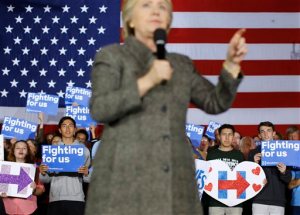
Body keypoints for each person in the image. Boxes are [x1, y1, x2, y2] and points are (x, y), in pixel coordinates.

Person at [85, 0, 247, 214]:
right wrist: (147, 81)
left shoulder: (180, 64)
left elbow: (215, 102)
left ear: (169, 21)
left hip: (175, 183)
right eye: (146, 5)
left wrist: (231, 66)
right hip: (123, 182)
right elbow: (100, 108)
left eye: (162, 7)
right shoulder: (112, 56)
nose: (156, 10)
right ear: (130, 19)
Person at [39, 117, 91, 215]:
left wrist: (86, 173)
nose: (67, 129)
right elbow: (45, 180)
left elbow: (88, 179)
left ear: (75, 129)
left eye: (70, 126)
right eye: (64, 126)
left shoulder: (83, 150)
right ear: (59, 130)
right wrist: (43, 172)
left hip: (77, 199)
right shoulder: (51, 151)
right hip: (56, 198)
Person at [249, 121, 291, 215]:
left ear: (274, 133)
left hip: (278, 200)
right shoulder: (253, 153)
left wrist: (284, 172)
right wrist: (254, 164)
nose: (266, 134)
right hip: (259, 199)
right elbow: (248, 179)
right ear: (259, 135)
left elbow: (288, 179)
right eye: (262, 131)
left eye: (268, 130)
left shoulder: (283, 152)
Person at [206, 124, 244, 215]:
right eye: (224, 134)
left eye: (230, 134)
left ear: (233, 136)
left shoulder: (239, 155)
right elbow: (206, 176)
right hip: (215, 202)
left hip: (235, 202)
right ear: (219, 136)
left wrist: (259, 180)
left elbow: (244, 176)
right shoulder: (211, 155)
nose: (227, 138)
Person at [2, 140, 45, 215]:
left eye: (24, 148)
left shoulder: (35, 169)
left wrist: (34, 190)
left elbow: (41, 190)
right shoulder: (5, 167)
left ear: (28, 151)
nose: (21, 150)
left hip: (29, 209)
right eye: (17, 148)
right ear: (13, 151)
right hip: (8, 209)